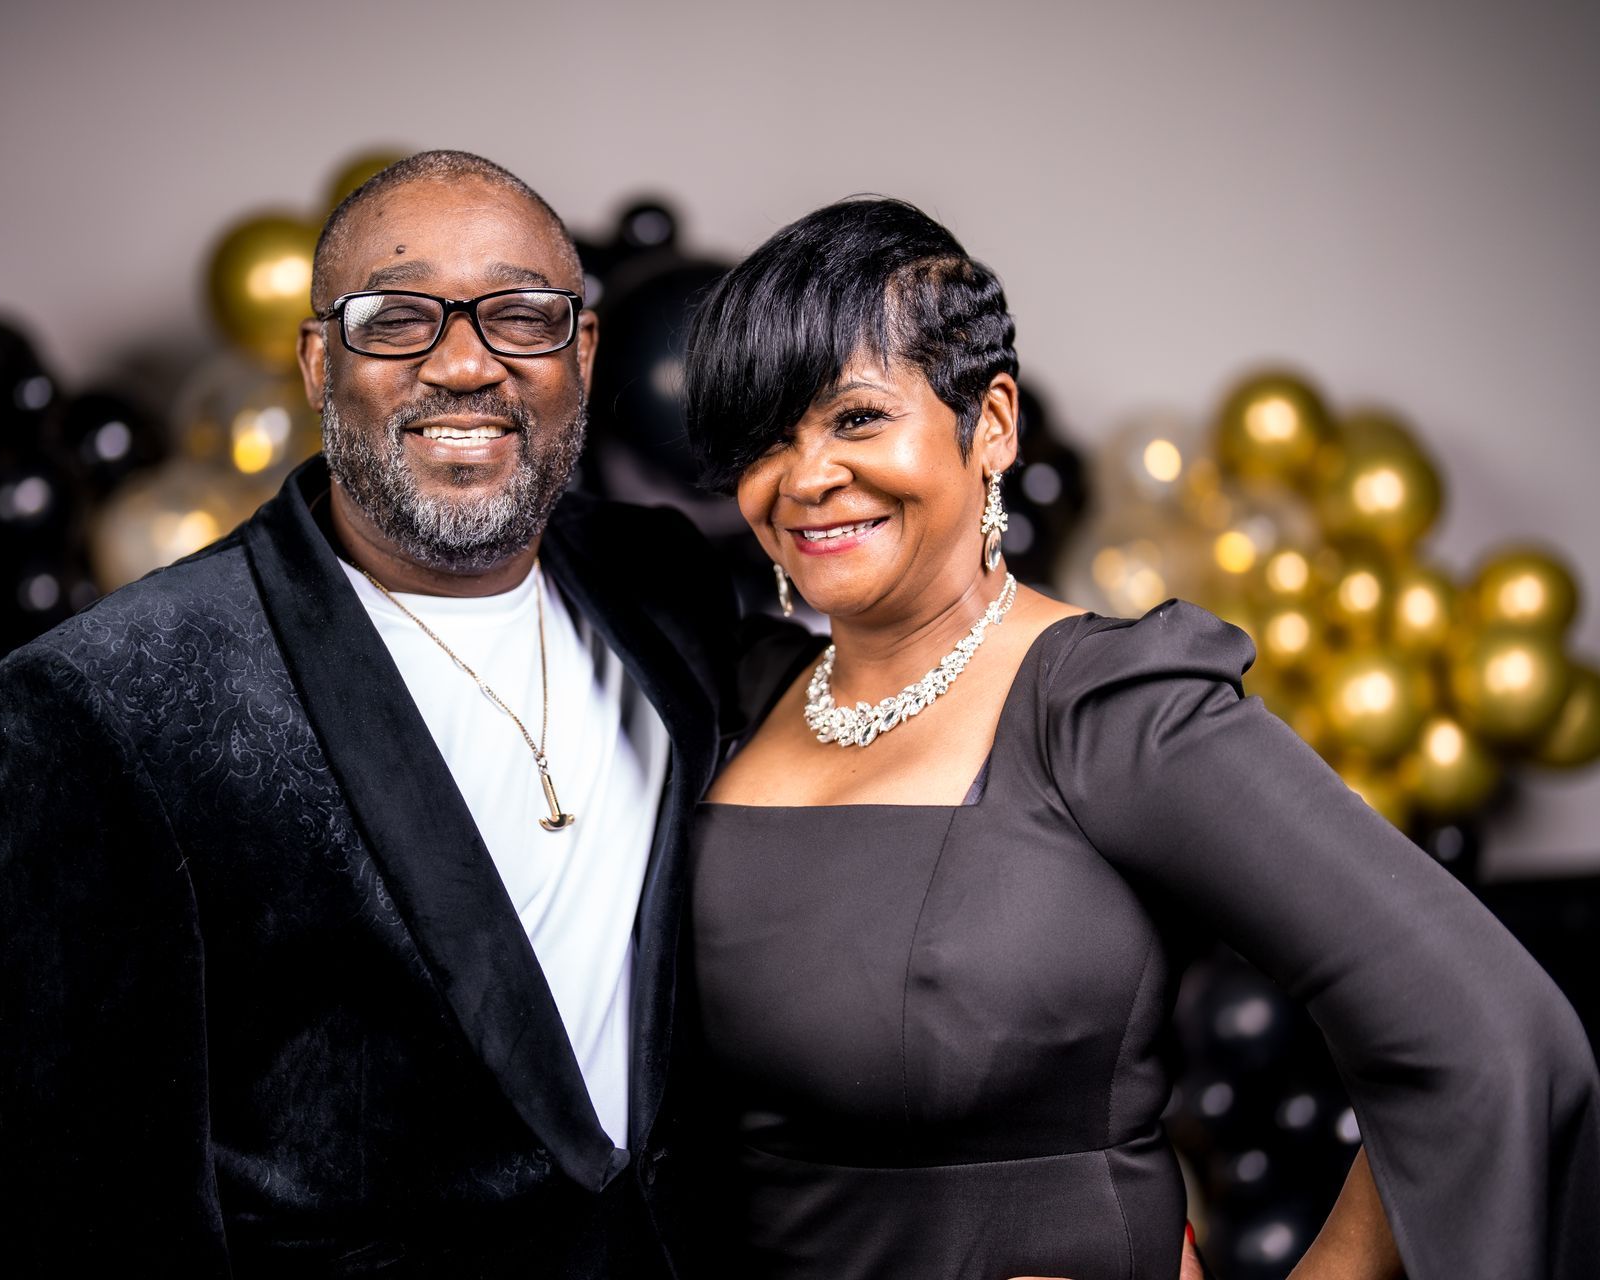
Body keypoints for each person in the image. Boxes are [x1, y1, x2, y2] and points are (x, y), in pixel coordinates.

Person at [679, 197, 1600, 1280]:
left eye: (856, 417)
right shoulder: (735, 692)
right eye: (764, 438)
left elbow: (1486, 1035)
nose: (806, 478)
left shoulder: (1106, 704)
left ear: (995, 423)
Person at [0, 152, 741, 1276]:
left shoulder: (667, 585)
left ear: (585, 351)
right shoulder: (110, 693)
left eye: (522, 314)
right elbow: (64, 1209)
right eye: (398, 318)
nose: (465, 362)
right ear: (320, 360)